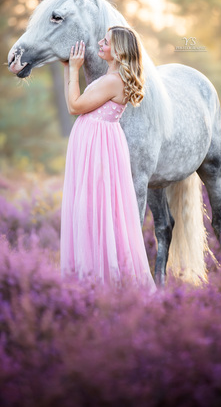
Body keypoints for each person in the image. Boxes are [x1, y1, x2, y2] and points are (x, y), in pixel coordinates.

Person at [60, 25, 156, 291]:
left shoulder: (113, 81)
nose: (100, 43)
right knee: (97, 208)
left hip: (97, 148)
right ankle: (94, 272)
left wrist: (74, 70)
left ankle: (96, 279)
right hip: (100, 144)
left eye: (106, 41)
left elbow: (74, 106)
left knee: (92, 207)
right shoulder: (112, 78)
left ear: (119, 51)